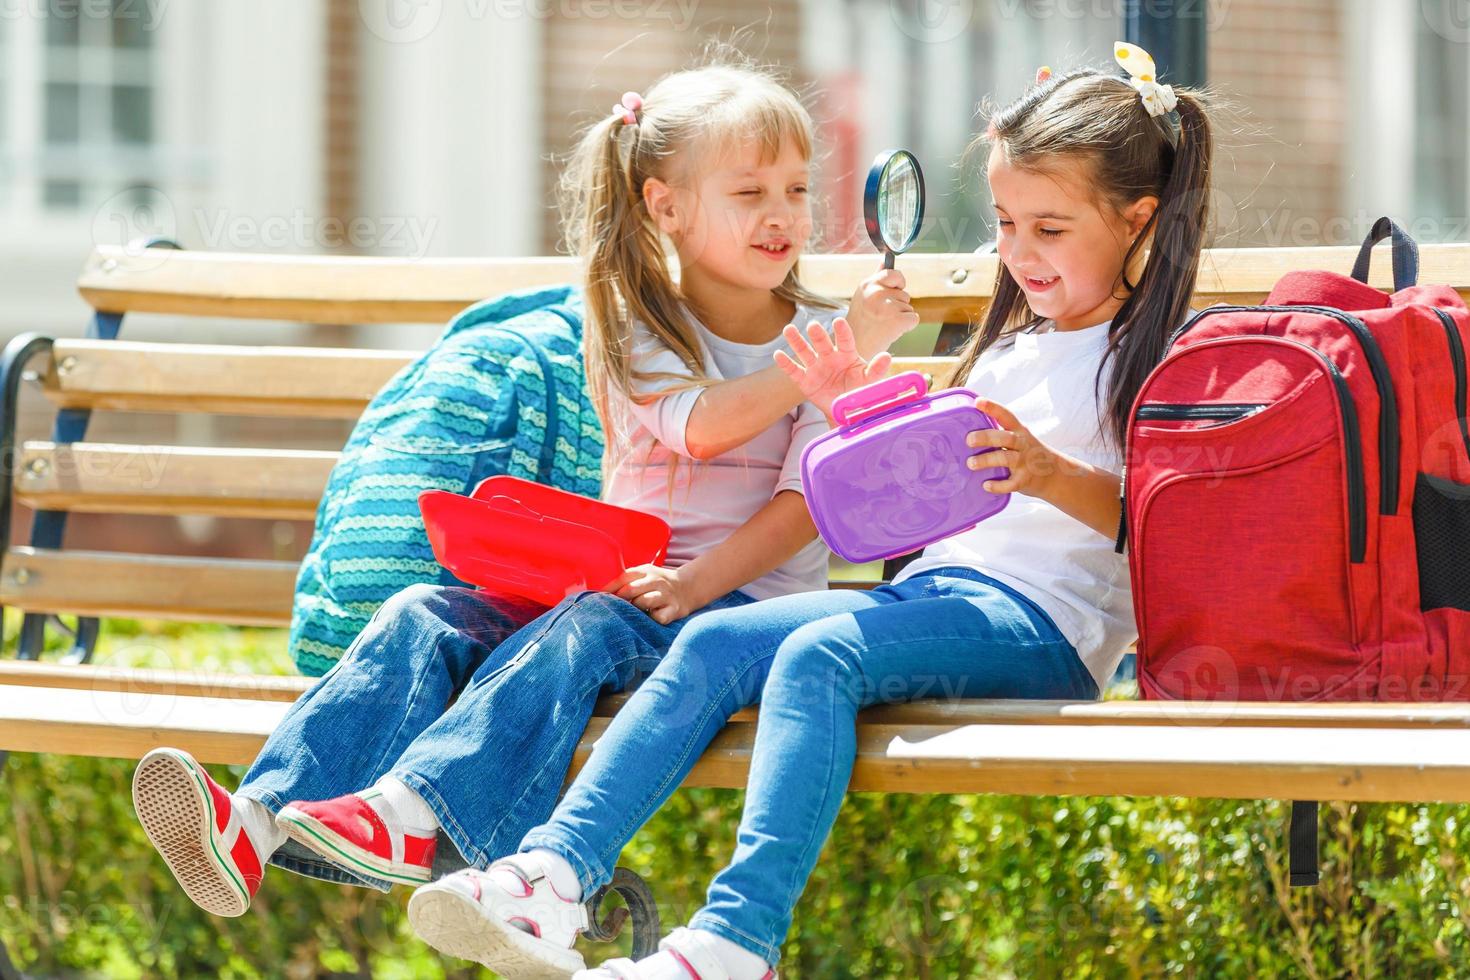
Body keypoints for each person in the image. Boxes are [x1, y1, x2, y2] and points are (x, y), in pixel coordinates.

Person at [417, 43, 1215, 980]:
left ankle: (733, 942)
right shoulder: (1011, 348)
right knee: (714, 645)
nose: (1017, 252)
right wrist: (853, 402)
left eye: (1049, 227)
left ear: (1138, 218)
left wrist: (1046, 472)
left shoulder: (1164, 354)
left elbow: (1172, 528)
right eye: (1003, 223)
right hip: (941, 596)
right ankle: (550, 878)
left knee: (815, 652)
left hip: (1045, 629)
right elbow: (925, 499)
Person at [128, 59, 917, 935]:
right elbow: (702, 426)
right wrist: (828, 350)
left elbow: (807, 504)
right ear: (665, 206)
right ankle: (257, 820)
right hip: (628, 593)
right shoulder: (634, 328)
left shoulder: (824, 346)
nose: (783, 214)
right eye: (749, 191)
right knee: (428, 610)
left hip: (736, 612)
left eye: (798, 188)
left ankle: (410, 817)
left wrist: (696, 582)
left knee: (586, 627)